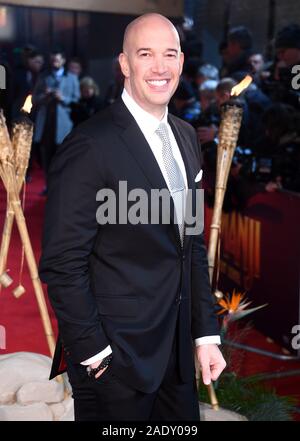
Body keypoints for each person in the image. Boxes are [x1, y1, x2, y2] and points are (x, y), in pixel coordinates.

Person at [39, 13, 226, 421]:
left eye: (169, 54)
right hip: (114, 360)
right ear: (124, 64)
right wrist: (94, 354)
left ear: (180, 62)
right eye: (145, 54)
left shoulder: (186, 136)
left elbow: (189, 244)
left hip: (175, 356)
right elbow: (62, 263)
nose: (160, 67)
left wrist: (205, 333)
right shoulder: (89, 144)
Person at [32, 49, 80, 192]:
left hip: (64, 123)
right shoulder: (43, 77)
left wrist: (63, 98)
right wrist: (45, 95)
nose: (55, 63)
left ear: (63, 61)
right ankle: (48, 184)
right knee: (46, 155)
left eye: (57, 60)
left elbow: (77, 99)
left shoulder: (72, 78)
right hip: (46, 122)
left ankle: (64, 185)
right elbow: (34, 98)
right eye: (53, 60)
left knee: (64, 155)